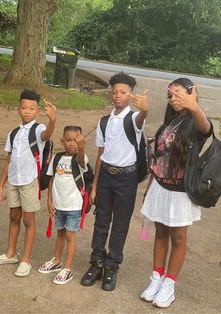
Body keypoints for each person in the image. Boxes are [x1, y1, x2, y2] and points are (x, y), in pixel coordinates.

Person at [140, 78, 212, 308]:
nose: (173, 99)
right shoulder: (170, 122)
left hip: (181, 191)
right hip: (161, 186)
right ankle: (156, 279)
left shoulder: (194, 121)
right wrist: (150, 186)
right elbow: (160, 158)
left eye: (179, 93)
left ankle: (169, 286)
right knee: (160, 232)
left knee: (178, 238)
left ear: (192, 94)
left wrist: (194, 106)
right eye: (170, 95)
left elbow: (207, 129)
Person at [81, 72, 149, 291]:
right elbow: (101, 154)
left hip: (126, 178)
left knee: (120, 224)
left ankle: (112, 266)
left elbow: (141, 119)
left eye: (123, 92)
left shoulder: (134, 118)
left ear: (130, 95)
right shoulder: (104, 122)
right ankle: (96, 263)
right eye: (115, 92)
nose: (118, 96)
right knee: (101, 221)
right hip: (106, 178)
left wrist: (145, 109)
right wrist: (95, 187)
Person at [0, 89, 56, 277]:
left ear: (37, 111)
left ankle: (25, 259)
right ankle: (10, 254)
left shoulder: (39, 129)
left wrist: (52, 120)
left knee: (28, 220)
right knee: (13, 217)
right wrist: (1, 184)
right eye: (24, 107)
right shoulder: (13, 133)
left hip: (30, 181)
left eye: (32, 108)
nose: (27, 111)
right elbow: (9, 160)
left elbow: (47, 135)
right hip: (14, 181)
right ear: (19, 109)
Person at [38, 126, 89, 285]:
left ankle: (67, 268)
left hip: (73, 206)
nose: (72, 143)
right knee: (60, 233)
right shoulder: (57, 158)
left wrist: (82, 147)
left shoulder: (81, 158)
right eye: (68, 140)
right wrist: (49, 201)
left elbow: (81, 161)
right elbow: (52, 179)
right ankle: (57, 261)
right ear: (62, 141)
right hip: (59, 206)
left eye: (75, 140)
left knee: (70, 236)